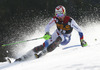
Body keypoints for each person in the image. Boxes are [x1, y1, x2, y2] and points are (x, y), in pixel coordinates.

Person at [15, 5, 87, 62]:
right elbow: (47, 26)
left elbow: (80, 31)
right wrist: (47, 33)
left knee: (59, 38)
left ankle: (44, 52)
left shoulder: (70, 20)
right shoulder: (55, 19)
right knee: (43, 45)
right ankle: (24, 56)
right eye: (57, 15)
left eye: (61, 15)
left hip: (66, 37)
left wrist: (82, 40)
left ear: (64, 13)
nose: (59, 17)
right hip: (57, 32)